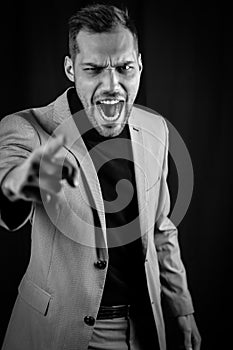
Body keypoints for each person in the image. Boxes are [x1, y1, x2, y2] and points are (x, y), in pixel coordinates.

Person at [0, 4, 201, 350]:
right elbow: (8, 188)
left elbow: (161, 230)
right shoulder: (28, 127)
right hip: (58, 334)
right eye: (93, 69)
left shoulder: (156, 130)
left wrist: (182, 311)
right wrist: (21, 184)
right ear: (71, 69)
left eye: (124, 68)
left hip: (142, 329)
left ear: (139, 65)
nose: (112, 85)